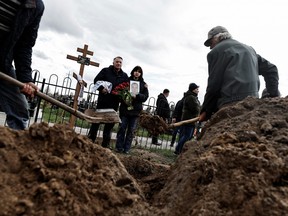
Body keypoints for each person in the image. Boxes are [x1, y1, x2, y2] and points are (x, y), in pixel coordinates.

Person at [199, 26, 280, 122]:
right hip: (253, 104)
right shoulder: (250, 50)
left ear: (218, 37)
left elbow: (214, 84)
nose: (210, 47)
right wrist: (272, 96)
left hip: (230, 104)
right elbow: (272, 69)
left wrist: (206, 111)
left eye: (210, 43)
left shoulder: (216, 52)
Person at [0, 0, 45, 130]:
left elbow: (24, 45)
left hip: (2, 62)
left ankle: (17, 147)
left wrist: (25, 79)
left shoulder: (35, 6)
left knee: (19, 110)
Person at [87, 56, 129, 148]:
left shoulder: (124, 76)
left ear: (122, 64)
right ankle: (89, 143)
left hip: (114, 103)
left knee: (109, 125)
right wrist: (101, 89)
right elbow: (96, 80)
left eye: (120, 62)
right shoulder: (105, 71)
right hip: (103, 101)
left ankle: (105, 146)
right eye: (117, 62)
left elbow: (127, 88)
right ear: (113, 62)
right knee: (96, 123)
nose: (118, 63)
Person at [115, 66, 149, 153]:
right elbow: (119, 92)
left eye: (139, 71)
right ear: (132, 72)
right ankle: (119, 147)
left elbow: (145, 97)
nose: (137, 73)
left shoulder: (143, 84)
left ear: (141, 74)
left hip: (135, 111)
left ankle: (126, 149)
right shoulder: (126, 81)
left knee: (131, 131)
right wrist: (126, 96)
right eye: (135, 71)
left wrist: (137, 95)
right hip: (125, 110)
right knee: (122, 128)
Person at [174, 83, 200, 155]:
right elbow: (195, 108)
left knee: (188, 136)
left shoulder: (192, 97)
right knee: (186, 136)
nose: (198, 91)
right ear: (193, 89)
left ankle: (181, 150)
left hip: (191, 120)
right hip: (189, 119)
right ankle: (178, 150)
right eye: (197, 89)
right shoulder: (191, 97)